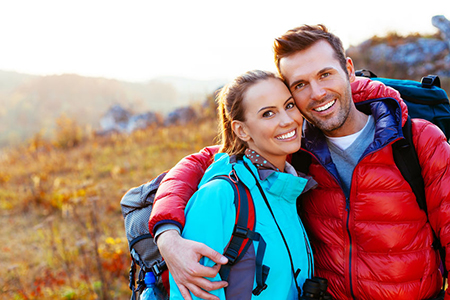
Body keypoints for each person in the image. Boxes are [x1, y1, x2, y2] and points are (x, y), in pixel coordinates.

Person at [149, 25, 450, 300]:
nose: (317, 94)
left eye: (325, 74)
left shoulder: (418, 141)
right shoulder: (294, 145)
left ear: (348, 69)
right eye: (300, 85)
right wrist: (167, 235)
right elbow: (202, 164)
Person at [169, 70, 316, 300]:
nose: (288, 120)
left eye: (288, 105)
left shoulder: (285, 186)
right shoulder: (219, 195)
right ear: (242, 130)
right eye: (268, 113)